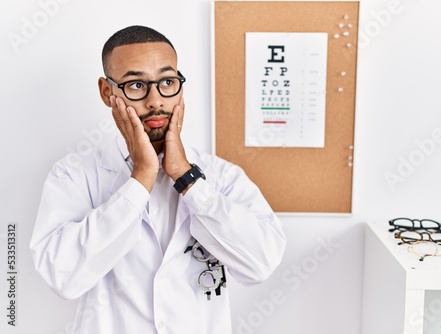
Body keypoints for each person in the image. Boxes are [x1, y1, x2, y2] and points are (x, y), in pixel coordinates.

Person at [30, 25, 287, 334]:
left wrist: (188, 179)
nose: (155, 101)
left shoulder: (220, 176)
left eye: (167, 82)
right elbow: (64, 278)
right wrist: (141, 178)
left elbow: (261, 263)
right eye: (136, 85)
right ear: (106, 91)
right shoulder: (73, 175)